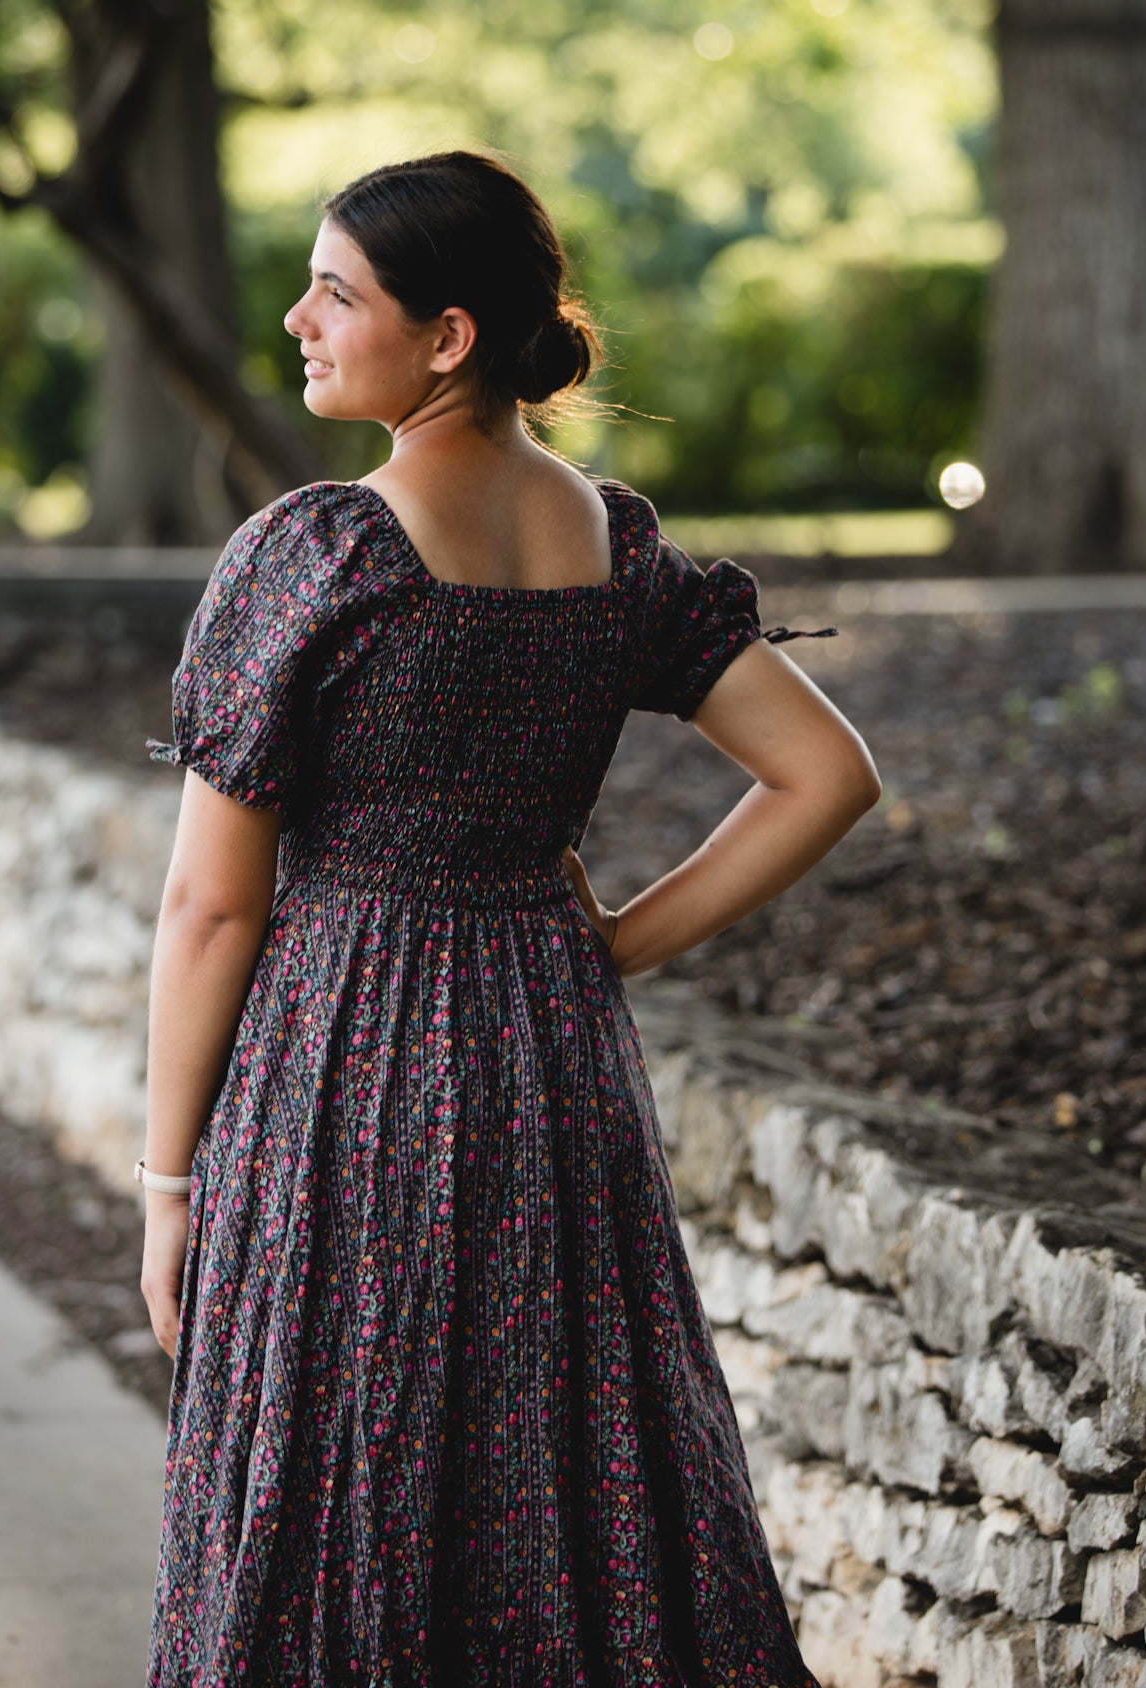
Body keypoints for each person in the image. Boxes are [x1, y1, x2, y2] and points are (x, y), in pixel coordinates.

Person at [140, 149, 880, 1688]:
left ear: (448, 335)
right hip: (550, 1060)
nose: (296, 318)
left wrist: (166, 1179)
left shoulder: (318, 555)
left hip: (344, 1069)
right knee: (564, 1469)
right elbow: (822, 777)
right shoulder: (611, 546)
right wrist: (610, 946)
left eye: (336, 293)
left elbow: (216, 907)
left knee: (340, 1467)